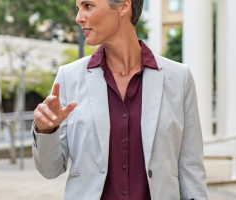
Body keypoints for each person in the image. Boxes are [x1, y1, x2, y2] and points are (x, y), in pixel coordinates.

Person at [31, 0, 208, 199]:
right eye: (78, 8)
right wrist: (46, 130)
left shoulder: (179, 78)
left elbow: (191, 169)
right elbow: (50, 170)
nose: (79, 17)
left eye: (88, 6)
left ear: (124, 6)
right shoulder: (68, 77)